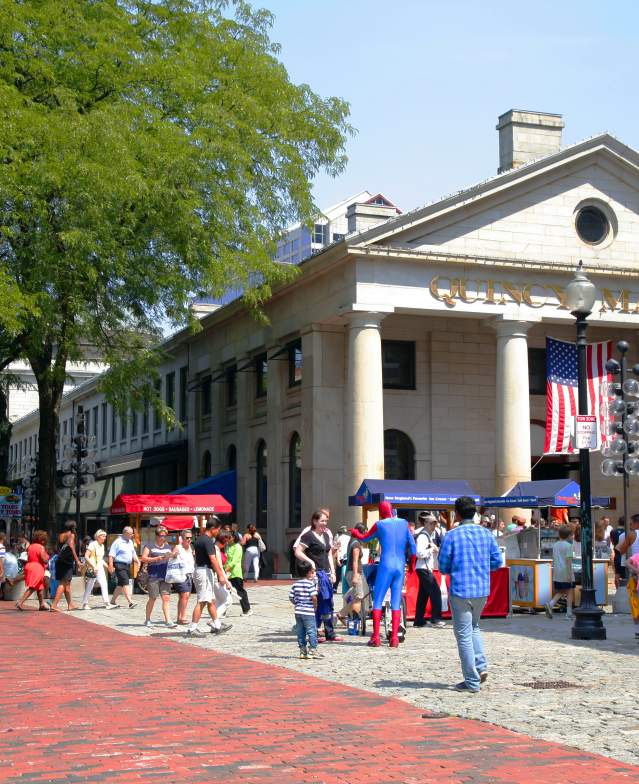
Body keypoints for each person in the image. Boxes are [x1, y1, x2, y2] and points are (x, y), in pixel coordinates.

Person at [438, 496, 502, 693]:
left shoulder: (451, 536)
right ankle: (480, 665)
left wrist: (455, 568)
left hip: (461, 589)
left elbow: (443, 566)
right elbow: (497, 562)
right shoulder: (487, 534)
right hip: (482, 589)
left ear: (456, 513)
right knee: (474, 627)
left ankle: (472, 681)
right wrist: (482, 568)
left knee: (464, 634)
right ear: (474, 512)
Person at [350, 501, 416, 648]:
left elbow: (365, 538)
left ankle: (376, 637)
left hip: (386, 565)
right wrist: (412, 564)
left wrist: (355, 533)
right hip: (400, 565)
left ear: (380, 512)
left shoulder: (380, 525)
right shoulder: (404, 523)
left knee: (378, 600)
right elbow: (413, 546)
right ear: (392, 510)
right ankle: (394, 638)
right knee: (395, 601)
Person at [295, 509, 342, 643]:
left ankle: (329, 632)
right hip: (315, 575)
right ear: (315, 521)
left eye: (326, 521)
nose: (324, 523)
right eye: (322, 520)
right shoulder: (308, 536)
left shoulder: (326, 535)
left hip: (325, 573)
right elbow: (298, 551)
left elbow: (328, 554)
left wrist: (332, 571)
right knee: (316, 602)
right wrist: (310, 562)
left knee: (328, 602)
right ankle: (313, 632)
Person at [187, 517, 232, 637]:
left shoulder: (199, 539)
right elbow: (213, 559)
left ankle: (217, 625)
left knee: (211, 600)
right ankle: (192, 628)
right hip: (204, 571)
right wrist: (221, 576)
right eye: (218, 529)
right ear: (212, 529)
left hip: (201, 570)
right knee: (202, 601)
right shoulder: (207, 541)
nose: (218, 532)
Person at [413, 513, 445, 629]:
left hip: (424, 568)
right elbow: (419, 553)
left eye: (435, 523)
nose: (434, 525)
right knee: (435, 592)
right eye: (431, 523)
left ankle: (419, 620)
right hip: (423, 568)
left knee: (423, 595)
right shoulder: (423, 536)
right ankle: (435, 619)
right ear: (425, 523)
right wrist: (431, 549)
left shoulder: (428, 536)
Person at [141, 524, 176, 628]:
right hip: (153, 575)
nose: (163, 538)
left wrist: (173, 556)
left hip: (165, 576)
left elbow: (170, 558)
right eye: (161, 535)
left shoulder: (167, 546)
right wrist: (156, 559)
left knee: (166, 598)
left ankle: (168, 620)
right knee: (153, 598)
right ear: (156, 536)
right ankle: (147, 619)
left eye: (165, 536)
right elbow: (143, 558)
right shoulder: (150, 546)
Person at [338, 523, 368, 623]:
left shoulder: (352, 541)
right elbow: (355, 561)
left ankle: (347, 614)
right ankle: (344, 615)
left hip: (353, 571)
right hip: (354, 572)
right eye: (365, 532)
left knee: (360, 594)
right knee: (358, 596)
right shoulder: (356, 544)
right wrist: (355, 575)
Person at [50, 521, 83, 612]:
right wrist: (77, 561)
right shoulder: (71, 535)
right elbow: (72, 547)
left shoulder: (61, 535)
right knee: (63, 583)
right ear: (73, 527)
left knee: (67, 584)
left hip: (59, 561)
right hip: (66, 562)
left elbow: (57, 548)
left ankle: (70, 604)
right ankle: (54, 605)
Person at [289, 562, 319, 659]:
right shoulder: (310, 584)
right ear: (309, 572)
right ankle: (312, 650)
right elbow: (314, 597)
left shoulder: (295, 584)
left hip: (298, 612)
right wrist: (315, 606)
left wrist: (297, 603)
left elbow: (291, 597)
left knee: (300, 631)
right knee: (311, 631)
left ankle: (302, 651)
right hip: (308, 611)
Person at [545, 525, 575, 620]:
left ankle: (551, 604)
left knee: (562, 591)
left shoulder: (555, 545)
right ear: (569, 535)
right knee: (569, 591)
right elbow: (569, 562)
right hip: (566, 571)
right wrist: (570, 575)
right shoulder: (569, 546)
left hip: (557, 571)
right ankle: (569, 613)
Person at [15, 531, 50, 611]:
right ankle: (20, 602)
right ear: (42, 540)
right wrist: (47, 559)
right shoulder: (41, 547)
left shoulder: (31, 546)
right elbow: (44, 559)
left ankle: (42, 605)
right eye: (44, 540)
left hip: (29, 566)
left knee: (39, 587)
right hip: (37, 568)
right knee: (33, 587)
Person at [107, 526, 140, 609]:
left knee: (120, 584)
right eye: (130, 533)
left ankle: (112, 601)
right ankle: (130, 602)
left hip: (127, 565)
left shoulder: (130, 542)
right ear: (125, 533)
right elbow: (111, 555)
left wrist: (138, 561)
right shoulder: (117, 542)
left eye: (132, 533)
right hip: (119, 564)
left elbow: (133, 553)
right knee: (125, 582)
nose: (132, 535)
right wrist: (110, 566)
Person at [222, 530, 252, 616]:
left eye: (229, 537)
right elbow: (226, 559)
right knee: (224, 592)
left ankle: (247, 610)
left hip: (235, 573)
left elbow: (234, 561)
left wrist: (226, 569)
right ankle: (222, 611)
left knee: (240, 591)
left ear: (233, 537)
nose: (227, 539)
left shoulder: (238, 547)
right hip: (227, 573)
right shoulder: (227, 546)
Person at [80, 530, 112, 609]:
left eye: (105, 536)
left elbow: (100, 559)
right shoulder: (92, 544)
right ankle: (85, 603)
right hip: (92, 567)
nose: (104, 538)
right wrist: (93, 566)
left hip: (99, 567)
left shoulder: (102, 546)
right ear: (98, 537)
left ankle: (107, 603)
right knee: (90, 585)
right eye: (103, 536)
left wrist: (107, 566)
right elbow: (86, 556)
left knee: (104, 584)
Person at [170, 530, 195, 625]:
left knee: (183, 597)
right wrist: (174, 555)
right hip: (180, 574)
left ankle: (179, 617)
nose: (189, 539)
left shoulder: (190, 547)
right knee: (185, 595)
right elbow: (171, 558)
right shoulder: (178, 547)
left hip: (189, 575)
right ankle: (182, 617)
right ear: (182, 538)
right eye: (187, 538)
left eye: (190, 538)